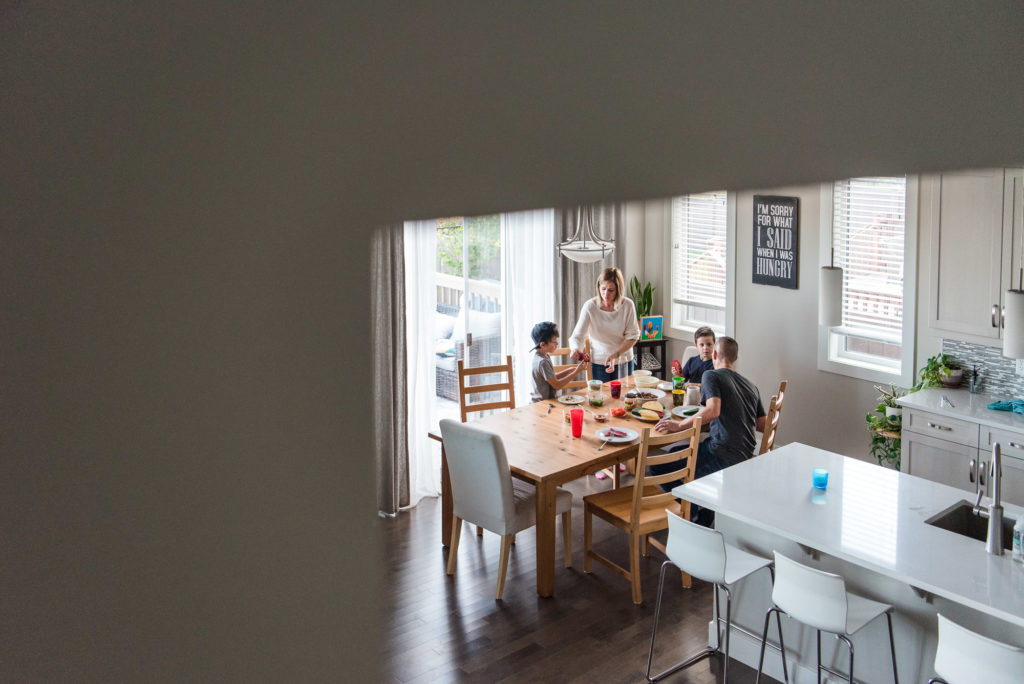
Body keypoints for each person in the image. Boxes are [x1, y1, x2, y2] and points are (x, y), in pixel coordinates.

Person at [652, 336, 766, 526]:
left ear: (714, 354)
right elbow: (763, 425)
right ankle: (704, 513)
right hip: (746, 456)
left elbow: (713, 410)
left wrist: (679, 425)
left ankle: (692, 513)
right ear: (735, 358)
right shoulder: (750, 385)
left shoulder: (711, 375)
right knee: (681, 455)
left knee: (660, 466)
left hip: (722, 452)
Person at [568, 267, 641, 383]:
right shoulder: (590, 307)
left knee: (624, 397)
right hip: (598, 363)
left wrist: (616, 355)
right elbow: (577, 336)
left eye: (611, 290)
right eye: (603, 289)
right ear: (598, 287)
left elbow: (633, 336)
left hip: (623, 361)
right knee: (600, 398)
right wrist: (575, 349)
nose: (606, 294)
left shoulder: (628, 305)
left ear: (618, 290)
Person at [529, 321, 588, 403]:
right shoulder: (542, 362)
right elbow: (557, 385)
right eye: (554, 341)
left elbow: (552, 378)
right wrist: (576, 372)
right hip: (541, 404)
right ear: (542, 344)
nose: (557, 343)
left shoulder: (544, 356)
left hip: (545, 402)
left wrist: (569, 371)